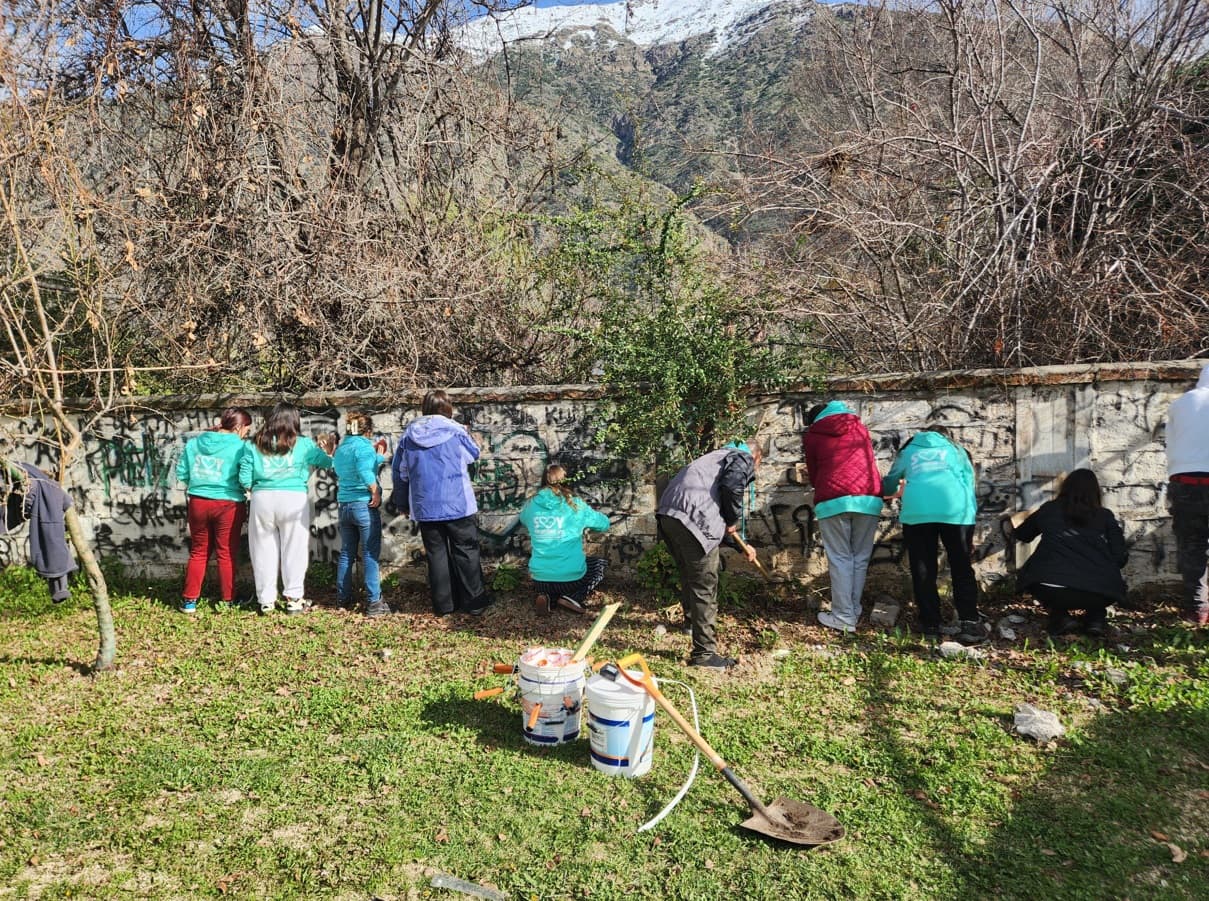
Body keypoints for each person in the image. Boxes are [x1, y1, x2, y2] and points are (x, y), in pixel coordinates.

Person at [655, 442, 761, 671]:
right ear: (756, 456)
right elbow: (732, 487)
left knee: (690, 574)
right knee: (705, 585)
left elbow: (716, 510)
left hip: (669, 515)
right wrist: (733, 521)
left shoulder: (712, 459)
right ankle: (704, 654)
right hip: (693, 520)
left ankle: (692, 625)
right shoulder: (741, 457)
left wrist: (741, 546)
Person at [389, 390, 494, 617]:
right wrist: (468, 434)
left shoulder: (408, 437)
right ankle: (474, 603)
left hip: (425, 506)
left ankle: (444, 606)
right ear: (448, 408)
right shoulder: (455, 431)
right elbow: (474, 454)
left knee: (436, 555)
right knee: (466, 552)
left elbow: (400, 472)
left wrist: (402, 502)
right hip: (458, 503)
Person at [882, 425, 984, 644]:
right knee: (960, 565)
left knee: (923, 567)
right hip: (956, 511)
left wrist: (888, 491)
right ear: (946, 436)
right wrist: (969, 523)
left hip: (918, 512)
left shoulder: (909, 450)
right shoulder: (956, 450)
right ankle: (970, 622)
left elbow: (890, 483)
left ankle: (930, 624)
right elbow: (969, 483)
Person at [239, 402, 335, 615]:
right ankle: (293, 598)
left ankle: (266, 600)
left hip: (262, 497)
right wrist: (328, 449)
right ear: (294, 420)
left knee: (262, 549)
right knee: (295, 549)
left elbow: (244, 476)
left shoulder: (253, 443)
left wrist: (252, 488)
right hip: (293, 499)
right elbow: (327, 463)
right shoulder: (303, 444)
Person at [1007, 469, 1127, 638]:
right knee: (1097, 588)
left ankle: (1061, 616)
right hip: (1101, 593)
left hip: (1053, 589)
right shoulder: (1104, 516)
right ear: (1095, 491)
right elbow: (1120, 557)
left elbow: (1023, 535)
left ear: (1065, 488)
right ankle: (1095, 619)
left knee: (1037, 574)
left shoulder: (1049, 510)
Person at [802, 401, 883, 633]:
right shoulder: (860, 428)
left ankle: (843, 616)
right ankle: (853, 610)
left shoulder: (814, 435)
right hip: (868, 498)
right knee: (860, 557)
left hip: (834, 500)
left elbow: (814, 473)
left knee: (840, 558)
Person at [176, 407, 253, 612]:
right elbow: (245, 476)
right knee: (226, 553)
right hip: (228, 503)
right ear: (238, 427)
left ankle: (189, 601)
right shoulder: (241, 447)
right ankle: (228, 600)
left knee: (199, 552)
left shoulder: (194, 443)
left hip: (198, 501)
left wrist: (200, 484)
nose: (246, 433)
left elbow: (182, 472)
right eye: (246, 429)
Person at [519, 463, 610, 615]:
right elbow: (604, 524)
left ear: (543, 481)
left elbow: (524, 520)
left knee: (551, 575)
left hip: (539, 579)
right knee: (599, 565)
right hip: (571, 579)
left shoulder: (531, 505)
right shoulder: (575, 505)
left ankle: (547, 596)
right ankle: (572, 597)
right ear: (567, 481)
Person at [332, 410, 389, 617]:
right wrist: (375, 491)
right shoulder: (364, 447)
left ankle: (342, 598)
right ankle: (374, 603)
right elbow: (365, 471)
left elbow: (351, 466)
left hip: (345, 505)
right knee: (369, 553)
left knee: (347, 552)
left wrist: (378, 456)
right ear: (368, 431)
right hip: (363, 506)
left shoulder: (342, 448)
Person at [1165, 361, 1209, 626]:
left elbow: (1170, 442)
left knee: (1192, 545)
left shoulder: (1181, 404)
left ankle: (1197, 610)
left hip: (1186, 482)